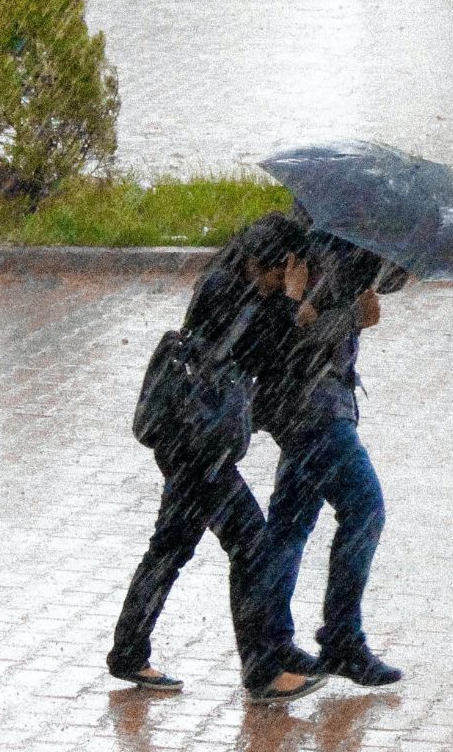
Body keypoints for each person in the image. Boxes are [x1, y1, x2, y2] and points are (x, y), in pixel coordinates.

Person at [107, 213, 329, 704]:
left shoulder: (232, 282)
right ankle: (262, 671)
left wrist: (291, 309)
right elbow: (265, 354)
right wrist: (292, 307)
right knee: (250, 543)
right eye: (290, 270)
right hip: (196, 445)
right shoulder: (231, 291)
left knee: (170, 545)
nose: (291, 279)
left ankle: (128, 651)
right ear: (275, 263)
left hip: (185, 438)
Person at [253, 229, 408, 687]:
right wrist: (353, 316)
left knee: (290, 522)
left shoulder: (346, 239)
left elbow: (386, 284)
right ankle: (340, 638)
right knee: (364, 507)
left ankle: (272, 642)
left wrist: (375, 286)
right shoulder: (318, 245)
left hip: (310, 403)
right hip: (312, 409)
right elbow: (296, 333)